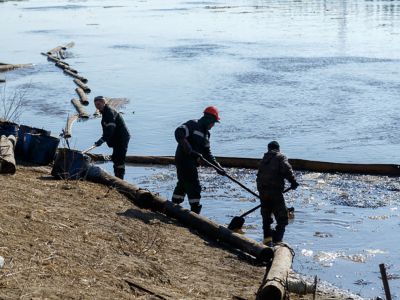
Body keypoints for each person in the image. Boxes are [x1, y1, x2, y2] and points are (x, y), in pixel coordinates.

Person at [172, 106, 225, 214]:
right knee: (194, 185)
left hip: (192, 162)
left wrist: (217, 167)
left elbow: (207, 154)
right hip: (183, 159)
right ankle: (195, 211)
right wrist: (189, 149)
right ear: (208, 119)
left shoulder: (206, 135)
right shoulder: (192, 124)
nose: (213, 125)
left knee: (183, 183)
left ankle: (173, 206)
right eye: (213, 122)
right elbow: (179, 132)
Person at [256, 141, 299, 246]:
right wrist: (293, 182)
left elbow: (259, 176)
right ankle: (277, 241)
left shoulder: (264, 159)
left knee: (266, 218)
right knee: (283, 219)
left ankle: (267, 241)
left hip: (263, 192)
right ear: (278, 148)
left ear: (268, 149)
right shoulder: (280, 157)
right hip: (274, 192)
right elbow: (287, 169)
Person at [93, 96, 130, 180]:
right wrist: (103, 139)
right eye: (95, 104)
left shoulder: (109, 112)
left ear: (103, 103)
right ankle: (117, 178)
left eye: (98, 104)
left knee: (119, 159)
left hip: (121, 138)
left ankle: (120, 180)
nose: (97, 106)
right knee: (115, 158)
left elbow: (110, 129)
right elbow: (107, 129)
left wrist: (102, 140)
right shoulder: (104, 112)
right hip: (116, 139)